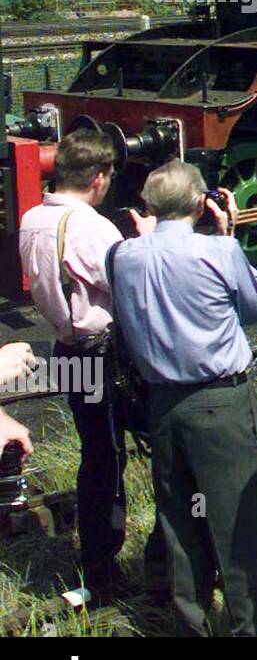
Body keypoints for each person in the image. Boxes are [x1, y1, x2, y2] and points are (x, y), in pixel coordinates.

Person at [110, 159, 257, 636]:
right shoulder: (219, 251)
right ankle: (247, 627)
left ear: (148, 206)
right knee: (239, 525)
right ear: (204, 204)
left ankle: (191, 626)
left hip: (163, 404)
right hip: (222, 402)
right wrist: (229, 237)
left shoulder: (124, 256)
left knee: (180, 523)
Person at [18, 129, 165, 599]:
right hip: (106, 353)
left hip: (68, 349)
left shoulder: (32, 218)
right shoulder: (91, 227)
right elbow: (134, 280)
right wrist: (150, 241)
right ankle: (113, 564)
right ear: (100, 178)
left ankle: (99, 558)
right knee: (140, 448)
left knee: (97, 453)